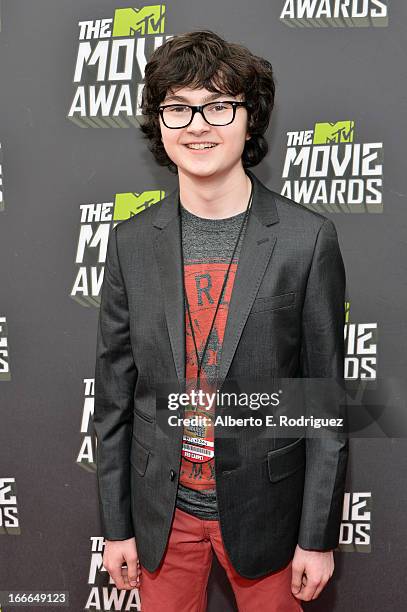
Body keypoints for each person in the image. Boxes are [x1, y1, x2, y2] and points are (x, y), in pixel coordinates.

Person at [93, 30, 348, 612]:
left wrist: (316, 535)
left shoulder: (307, 240)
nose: (197, 124)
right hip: (164, 515)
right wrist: (116, 524)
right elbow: (113, 399)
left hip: (269, 515)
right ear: (160, 123)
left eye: (218, 105)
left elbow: (324, 405)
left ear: (250, 120)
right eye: (178, 107)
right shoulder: (131, 243)